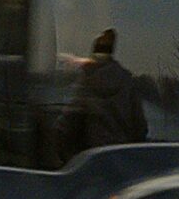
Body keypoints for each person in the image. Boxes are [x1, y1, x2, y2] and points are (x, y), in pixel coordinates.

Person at [58, 28, 146, 160]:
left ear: (93, 52)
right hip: (122, 163)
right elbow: (141, 128)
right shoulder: (127, 82)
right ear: (111, 53)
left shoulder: (86, 83)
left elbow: (66, 126)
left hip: (94, 163)